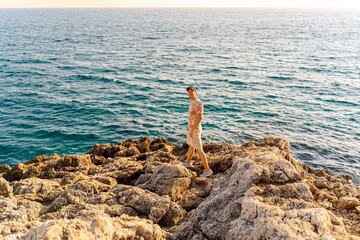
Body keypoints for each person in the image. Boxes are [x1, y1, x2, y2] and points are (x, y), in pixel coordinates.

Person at [183, 86, 213, 177]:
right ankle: (187, 162)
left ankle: (207, 170)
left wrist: (192, 130)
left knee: (199, 149)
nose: (190, 93)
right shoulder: (191, 102)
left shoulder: (199, 103)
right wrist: (189, 128)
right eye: (188, 92)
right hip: (191, 128)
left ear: (196, 92)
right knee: (191, 145)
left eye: (192, 91)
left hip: (195, 129)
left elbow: (199, 117)